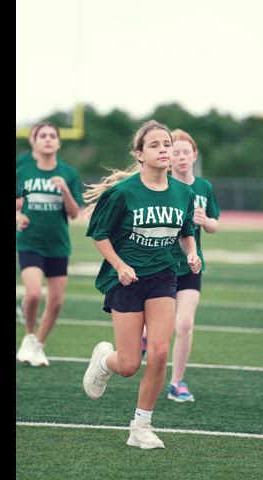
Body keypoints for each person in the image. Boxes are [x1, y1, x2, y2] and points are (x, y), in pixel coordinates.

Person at [81, 120, 201, 449]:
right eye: (156, 145)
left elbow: (186, 230)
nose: (164, 149)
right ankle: (104, 360)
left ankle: (141, 426)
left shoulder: (184, 192)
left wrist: (192, 253)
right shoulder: (122, 193)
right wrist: (120, 265)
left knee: (160, 351)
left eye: (167, 144)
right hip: (127, 280)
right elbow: (99, 234)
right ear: (140, 154)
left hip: (163, 276)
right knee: (130, 364)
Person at [15, 122, 83, 366]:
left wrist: (65, 190)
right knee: (33, 294)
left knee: (56, 302)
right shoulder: (24, 172)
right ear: (33, 141)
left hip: (58, 245)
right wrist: (18, 217)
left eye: (52, 135)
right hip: (30, 241)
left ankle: (39, 345)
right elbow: (17, 204)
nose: (47, 139)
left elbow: (75, 214)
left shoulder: (68, 173)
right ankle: (29, 336)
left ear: (58, 142)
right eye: (42, 135)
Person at [165, 129, 220, 402]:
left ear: (194, 155)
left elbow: (214, 224)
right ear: (169, 156)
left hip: (191, 265)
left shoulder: (204, 188)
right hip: (160, 264)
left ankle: (177, 382)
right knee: (154, 326)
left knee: (184, 324)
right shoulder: (162, 185)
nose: (182, 156)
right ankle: (142, 337)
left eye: (186, 151)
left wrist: (204, 221)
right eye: (176, 151)